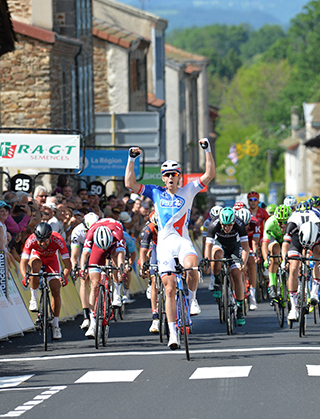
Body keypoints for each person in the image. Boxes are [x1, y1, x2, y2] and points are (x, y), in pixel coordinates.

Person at [125, 138, 214, 350]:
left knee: (192, 266)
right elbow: (130, 184)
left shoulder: (189, 190)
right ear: (163, 178)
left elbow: (209, 174)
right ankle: (173, 333)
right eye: (167, 175)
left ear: (179, 176)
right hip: (164, 245)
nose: (171, 177)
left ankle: (192, 300)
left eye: (174, 174)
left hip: (182, 241)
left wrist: (207, 150)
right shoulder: (156, 192)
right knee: (170, 287)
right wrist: (131, 159)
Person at [20, 222, 71, 340]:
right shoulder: (31, 240)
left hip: (52, 260)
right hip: (37, 257)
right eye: (40, 241)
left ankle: (56, 325)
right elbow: (23, 262)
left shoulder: (58, 239)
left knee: (56, 290)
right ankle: (34, 298)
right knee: (35, 266)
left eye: (45, 241)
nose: (43, 244)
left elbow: (67, 264)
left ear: (50, 237)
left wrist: (64, 276)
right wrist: (25, 277)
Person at [78, 218, 127, 339]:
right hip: (97, 246)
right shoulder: (91, 233)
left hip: (114, 243)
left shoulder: (118, 232)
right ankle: (92, 322)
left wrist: (121, 271)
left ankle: (116, 291)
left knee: (116, 261)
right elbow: (85, 255)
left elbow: (121, 256)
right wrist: (82, 269)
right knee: (94, 285)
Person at [204, 207, 250, 326]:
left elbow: (245, 247)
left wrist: (243, 263)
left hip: (235, 247)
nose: (226, 228)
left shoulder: (240, 224)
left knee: (237, 274)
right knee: (216, 255)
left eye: (229, 225)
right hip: (220, 245)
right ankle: (217, 281)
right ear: (220, 222)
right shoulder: (213, 224)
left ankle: (240, 309)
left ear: (234, 222)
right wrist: (207, 262)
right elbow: (208, 246)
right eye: (224, 225)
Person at [284, 201, 320, 321]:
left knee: (318, 254)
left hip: (312, 237)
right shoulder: (293, 221)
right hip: (296, 239)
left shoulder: (316, 221)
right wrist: (285, 260)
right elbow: (285, 243)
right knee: (293, 268)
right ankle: (293, 307)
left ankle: (314, 291)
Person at [69, 212, 100, 330]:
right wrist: (76, 268)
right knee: (84, 279)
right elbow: (74, 256)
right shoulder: (77, 232)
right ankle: (87, 315)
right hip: (84, 251)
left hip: (97, 249)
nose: (90, 233)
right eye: (88, 231)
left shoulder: (101, 229)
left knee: (97, 278)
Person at [261, 205, 291, 300]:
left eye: (285, 222)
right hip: (275, 239)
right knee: (274, 248)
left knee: (291, 258)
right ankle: (272, 284)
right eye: (280, 222)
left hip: (287, 239)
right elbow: (265, 244)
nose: (282, 225)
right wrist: (266, 259)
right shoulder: (270, 222)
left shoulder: (293, 222)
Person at [235, 207, 260, 310]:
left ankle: (253, 296)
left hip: (249, 242)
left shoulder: (255, 222)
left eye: (247, 225)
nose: (245, 227)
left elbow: (254, 242)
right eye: (243, 225)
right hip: (237, 242)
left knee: (251, 263)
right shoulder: (235, 223)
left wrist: (254, 254)